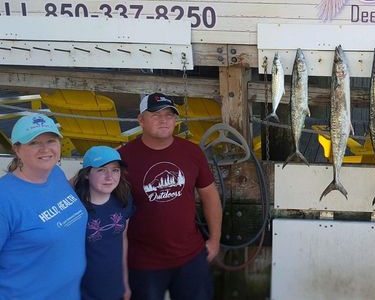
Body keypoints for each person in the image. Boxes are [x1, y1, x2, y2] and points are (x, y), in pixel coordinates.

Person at [119, 92, 222, 300]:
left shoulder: (192, 152)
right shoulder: (122, 157)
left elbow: (210, 195)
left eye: (169, 115)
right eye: (155, 115)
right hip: (142, 263)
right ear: (141, 120)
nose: (164, 120)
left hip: (191, 257)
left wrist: (215, 239)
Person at [0, 113, 87, 299]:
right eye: (34, 143)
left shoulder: (56, 173)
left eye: (51, 140)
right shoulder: (4, 199)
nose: (45, 149)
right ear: (16, 149)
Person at [74, 145, 134, 300]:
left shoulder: (123, 200)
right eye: (101, 170)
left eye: (115, 170)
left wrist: (125, 282)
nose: (110, 177)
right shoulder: (74, 208)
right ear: (87, 174)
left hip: (114, 287)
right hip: (83, 291)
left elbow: (123, 240)